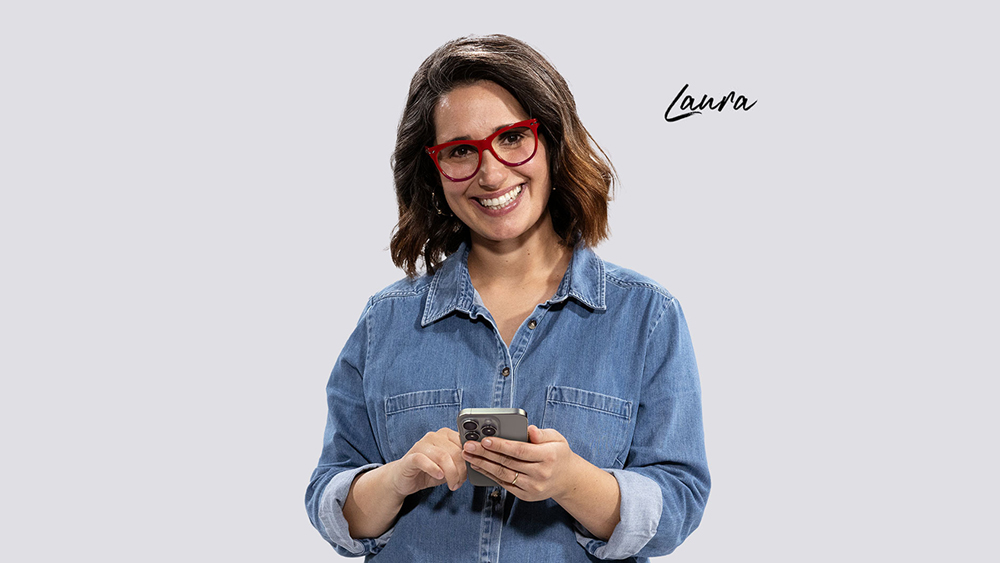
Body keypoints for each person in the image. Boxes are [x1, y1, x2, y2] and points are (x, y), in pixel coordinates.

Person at [305, 34, 709, 562]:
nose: (491, 172)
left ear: (552, 141)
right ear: (434, 171)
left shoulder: (647, 317)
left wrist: (572, 481)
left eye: (512, 138)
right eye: (460, 151)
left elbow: (679, 501)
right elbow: (331, 502)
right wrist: (397, 478)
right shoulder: (386, 322)